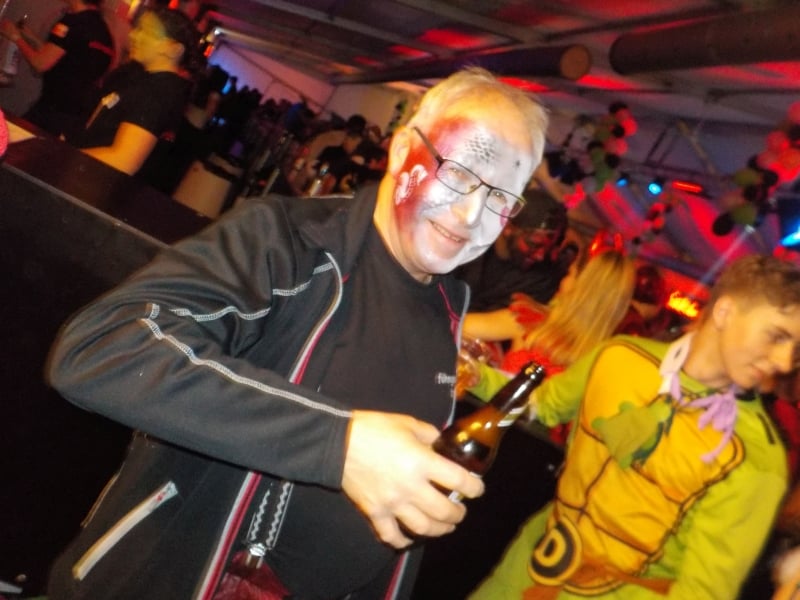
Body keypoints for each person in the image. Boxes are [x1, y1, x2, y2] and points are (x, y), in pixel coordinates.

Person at [44, 67, 549, 600]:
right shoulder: (287, 243)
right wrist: (340, 442)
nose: (471, 214)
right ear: (403, 150)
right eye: (459, 173)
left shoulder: (448, 309)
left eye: (500, 198)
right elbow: (102, 345)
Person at [469, 253, 800, 599]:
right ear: (725, 311)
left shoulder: (756, 457)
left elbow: (702, 593)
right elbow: (543, 405)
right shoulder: (619, 356)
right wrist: (473, 375)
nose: (784, 362)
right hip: (524, 573)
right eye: (776, 336)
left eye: (795, 349)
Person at [463, 249, 634, 444]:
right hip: (538, 452)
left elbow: (455, 325)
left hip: (484, 432)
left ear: (582, 287)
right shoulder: (603, 364)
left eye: (569, 274)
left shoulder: (529, 321)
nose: (562, 280)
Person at [66, 7, 202, 177]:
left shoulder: (159, 91)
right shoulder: (143, 79)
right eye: (138, 28)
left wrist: (63, 156)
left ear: (174, 49)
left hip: (91, 180)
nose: (134, 35)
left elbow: (123, 160)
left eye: (148, 32)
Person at [0, 0, 114, 139]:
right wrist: (29, 37)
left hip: (51, 111)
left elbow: (40, 63)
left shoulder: (72, 22)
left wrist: (15, 37)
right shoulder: (104, 33)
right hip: (76, 117)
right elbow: (67, 59)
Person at [456, 187, 569, 311]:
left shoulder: (542, 279)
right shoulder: (466, 241)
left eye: (549, 248)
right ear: (508, 227)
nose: (540, 256)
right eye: (534, 245)